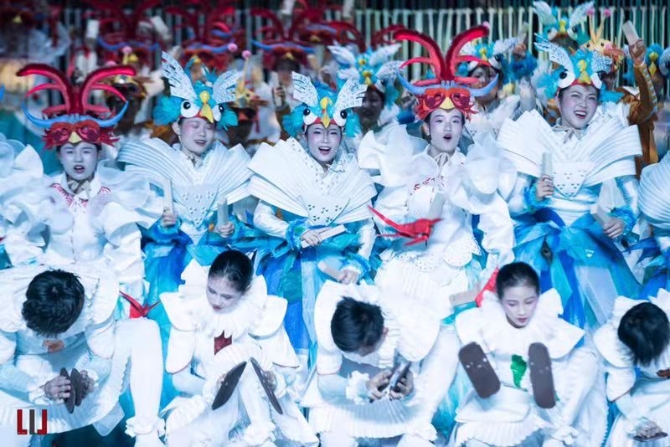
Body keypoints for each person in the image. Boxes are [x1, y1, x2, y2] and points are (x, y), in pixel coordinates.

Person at [370, 26, 515, 318]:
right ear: (426, 127)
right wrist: (408, 227)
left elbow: (498, 222)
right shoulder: (408, 166)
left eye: (455, 121)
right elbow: (385, 218)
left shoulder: (472, 169)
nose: (448, 127)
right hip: (408, 270)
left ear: (463, 126)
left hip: (456, 274)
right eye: (439, 120)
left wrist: (495, 271)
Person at [499, 38, 642, 332]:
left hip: (591, 244)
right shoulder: (535, 135)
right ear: (558, 97)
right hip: (541, 244)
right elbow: (511, 207)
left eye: (591, 98)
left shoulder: (606, 137)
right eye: (575, 95)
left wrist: (624, 220)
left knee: (599, 331)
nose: (583, 105)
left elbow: (636, 200)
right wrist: (532, 197)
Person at [249, 71, 376, 383]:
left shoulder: (351, 168)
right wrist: (293, 232)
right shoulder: (288, 160)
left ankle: (331, 396)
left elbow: (367, 226)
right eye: (318, 132)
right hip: (292, 265)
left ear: (342, 135)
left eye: (333, 133)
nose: (325, 140)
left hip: (336, 265)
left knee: (335, 339)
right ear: (304, 133)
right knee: (292, 338)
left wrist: (358, 264)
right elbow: (261, 216)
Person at [15, 63, 159, 319]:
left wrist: (126, 300)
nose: (78, 159)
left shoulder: (111, 194)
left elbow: (128, 253)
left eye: (86, 151)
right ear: (59, 155)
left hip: (97, 290)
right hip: (49, 288)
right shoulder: (45, 191)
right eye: (70, 151)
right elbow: (21, 236)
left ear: (99, 153)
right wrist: (37, 271)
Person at [161, 251, 317, 446]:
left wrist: (273, 380)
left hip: (252, 404)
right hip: (204, 397)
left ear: (246, 291)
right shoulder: (190, 308)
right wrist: (213, 388)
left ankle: (261, 435)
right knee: (181, 437)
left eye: (227, 296)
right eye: (211, 291)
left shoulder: (262, 314)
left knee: (246, 361)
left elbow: (288, 373)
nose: (216, 301)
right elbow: (180, 379)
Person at [0, 265, 164, 447]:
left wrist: (90, 376)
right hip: (27, 371)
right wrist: (39, 387)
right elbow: (2, 369)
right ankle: (37, 436)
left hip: (79, 357)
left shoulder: (95, 296)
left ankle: (147, 435)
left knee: (145, 330)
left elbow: (101, 358)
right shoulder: (6, 304)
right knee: (16, 435)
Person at [452, 262, 606, 446]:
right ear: (499, 300)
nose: (522, 311)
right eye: (512, 304)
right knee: (474, 439)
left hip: (537, 410)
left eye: (529, 302)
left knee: (587, 359)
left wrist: (556, 415)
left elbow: (562, 381)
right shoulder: (487, 325)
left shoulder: (550, 328)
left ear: (538, 296)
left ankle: (555, 430)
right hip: (494, 406)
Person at [301, 280, 454, 446]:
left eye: (364, 351)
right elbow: (325, 384)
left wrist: (410, 388)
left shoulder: (410, 325)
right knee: (334, 441)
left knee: (448, 344)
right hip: (344, 394)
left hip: (392, 399)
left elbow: (411, 371)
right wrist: (361, 387)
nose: (359, 356)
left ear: (385, 333)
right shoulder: (332, 317)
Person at [594, 292, 670, 445]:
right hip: (653, 388)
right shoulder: (620, 344)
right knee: (626, 432)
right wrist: (638, 420)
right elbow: (620, 388)